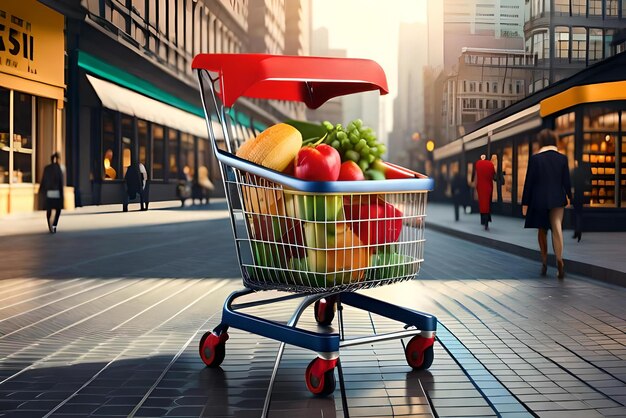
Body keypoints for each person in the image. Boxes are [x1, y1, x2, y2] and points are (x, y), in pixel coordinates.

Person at [522, 129, 572, 279]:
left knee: (542, 231)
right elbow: (566, 181)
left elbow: (529, 182)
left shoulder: (535, 159)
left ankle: (544, 261)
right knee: (557, 228)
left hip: (540, 199)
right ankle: (559, 261)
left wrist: (525, 203)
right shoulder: (563, 159)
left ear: (541, 142)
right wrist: (570, 196)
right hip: (557, 198)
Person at [39, 152, 65, 234]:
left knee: (49, 210)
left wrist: (41, 191)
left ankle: (50, 225)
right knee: (58, 210)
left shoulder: (47, 168)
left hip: (48, 192)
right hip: (56, 192)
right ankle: (54, 225)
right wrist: (62, 194)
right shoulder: (59, 168)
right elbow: (61, 182)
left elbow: (43, 181)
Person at [571, 159, 592, 242]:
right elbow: (588, 181)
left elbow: (571, 182)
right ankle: (578, 229)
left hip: (576, 194)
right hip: (582, 194)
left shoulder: (575, 171)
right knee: (579, 213)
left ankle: (577, 230)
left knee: (576, 212)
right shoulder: (584, 172)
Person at [474, 154, 495, 230]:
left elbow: (476, 176)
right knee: (488, 204)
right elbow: (493, 174)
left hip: (480, 187)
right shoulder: (490, 165)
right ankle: (487, 220)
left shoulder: (478, 164)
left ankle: (483, 220)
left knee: (482, 204)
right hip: (489, 186)